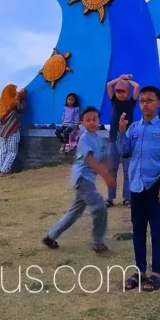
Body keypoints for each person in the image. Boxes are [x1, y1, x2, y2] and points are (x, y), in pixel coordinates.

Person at [117, 86, 160, 293]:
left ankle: (156, 272)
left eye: (149, 100)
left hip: (155, 184)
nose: (145, 104)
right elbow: (124, 152)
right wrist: (122, 134)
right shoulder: (134, 128)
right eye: (142, 101)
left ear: (158, 103)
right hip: (136, 186)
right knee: (138, 230)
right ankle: (140, 271)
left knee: (156, 230)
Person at [42, 106, 115, 254]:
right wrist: (105, 175)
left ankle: (50, 236)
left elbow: (105, 158)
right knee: (99, 206)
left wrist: (108, 171)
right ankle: (98, 241)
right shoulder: (84, 138)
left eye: (94, 119)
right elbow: (90, 159)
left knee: (75, 211)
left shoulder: (99, 139)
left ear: (99, 121)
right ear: (82, 123)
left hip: (87, 179)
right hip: (82, 178)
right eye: (88, 120)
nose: (92, 123)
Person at [106, 75, 139, 206]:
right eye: (118, 91)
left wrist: (126, 81)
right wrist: (120, 77)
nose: (119, 94)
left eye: (123, 91)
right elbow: (109, 85)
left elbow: (136, 87)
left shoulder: (131, 103)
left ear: (128, 92)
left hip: (127, 141)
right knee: (112, 169)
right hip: (113, 140)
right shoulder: (114, 101)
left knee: (128, 171)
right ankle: (110, 197)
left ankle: (127, 198)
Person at [0, 84, 27, 176]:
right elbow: (22, 108)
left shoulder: (0, 105)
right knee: (12, 151)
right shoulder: (13, 103)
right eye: (14, 91)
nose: (16, 92)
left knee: (3, 150)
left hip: (2, 131)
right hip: (13, 130)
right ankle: (5, 170)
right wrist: (22, 98)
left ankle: (0, 169)